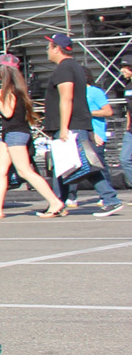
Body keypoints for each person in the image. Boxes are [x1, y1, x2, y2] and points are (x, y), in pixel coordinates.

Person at [41, 32, 121, 218]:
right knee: (64, 166)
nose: (47, 50)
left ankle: (110, 199)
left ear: (56, 48)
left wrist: (63, 127)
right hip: (75, 124)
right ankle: (57, 203)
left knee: (84, 164)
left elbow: (66, 97)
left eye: (49, 46)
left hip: (71, 126)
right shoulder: (73, 67)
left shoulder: (65, 69)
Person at [0, 54, 64, 219]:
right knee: (0, 170)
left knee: (24, 171)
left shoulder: (8, 91)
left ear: (4, 70)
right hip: (11, 133)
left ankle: (55, 202)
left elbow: (7, 112)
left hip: (15, 133)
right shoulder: (18, 90)